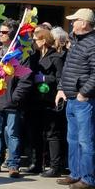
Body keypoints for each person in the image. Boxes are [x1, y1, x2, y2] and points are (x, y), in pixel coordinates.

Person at [55, 9, 95, 189]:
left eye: (74, 20)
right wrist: (61, 89)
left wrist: (83, 93)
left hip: (85, 100)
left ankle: (88, 178)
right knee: (73, 139)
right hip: (71, 98)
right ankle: (75, 174)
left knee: (86, 141)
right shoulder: (77, 42)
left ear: (84, 23)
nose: (71, 23)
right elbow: (68, 69)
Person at [0, 19, 33, 178]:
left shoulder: (21, 54)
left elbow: (26, 80)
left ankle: (13, 164)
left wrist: (15, 98)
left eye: (3, 32)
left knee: (12, 134)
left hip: (12, 101)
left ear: (12, 34)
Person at [29, 26, 66, 177]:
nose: (33, 43)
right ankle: (37, 163)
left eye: (35, 40)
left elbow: (60, 78)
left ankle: (55, 166)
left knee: (52, 134)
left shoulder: (56, 57)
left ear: (43, 41)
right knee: (36, 132)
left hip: (51, 99)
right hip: (37, 100)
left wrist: (44, 78)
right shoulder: (35, 56)